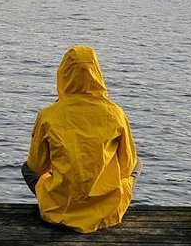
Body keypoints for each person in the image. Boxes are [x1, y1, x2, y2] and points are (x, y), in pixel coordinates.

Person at [22, 45, 140, 233]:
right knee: (136, 164)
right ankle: (101, 204)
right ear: (97, 73)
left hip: (60, 206)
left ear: (63, 74)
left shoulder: (48, 115)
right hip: (107, 209)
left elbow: (37, 166)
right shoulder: (115, 113)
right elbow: (127, 166)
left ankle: (61, 201)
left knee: (27, 169)